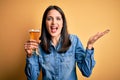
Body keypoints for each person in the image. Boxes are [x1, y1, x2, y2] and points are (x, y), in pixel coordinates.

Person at [24, 5, 110, 80]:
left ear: (62, 23)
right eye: (49, 19)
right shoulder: (38, 46)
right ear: (45, 23)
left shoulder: (74, 41)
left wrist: (90, 46)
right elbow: (32, 78)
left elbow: (86, 72)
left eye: (58, 19)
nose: (54, 22)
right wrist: (30, 55)